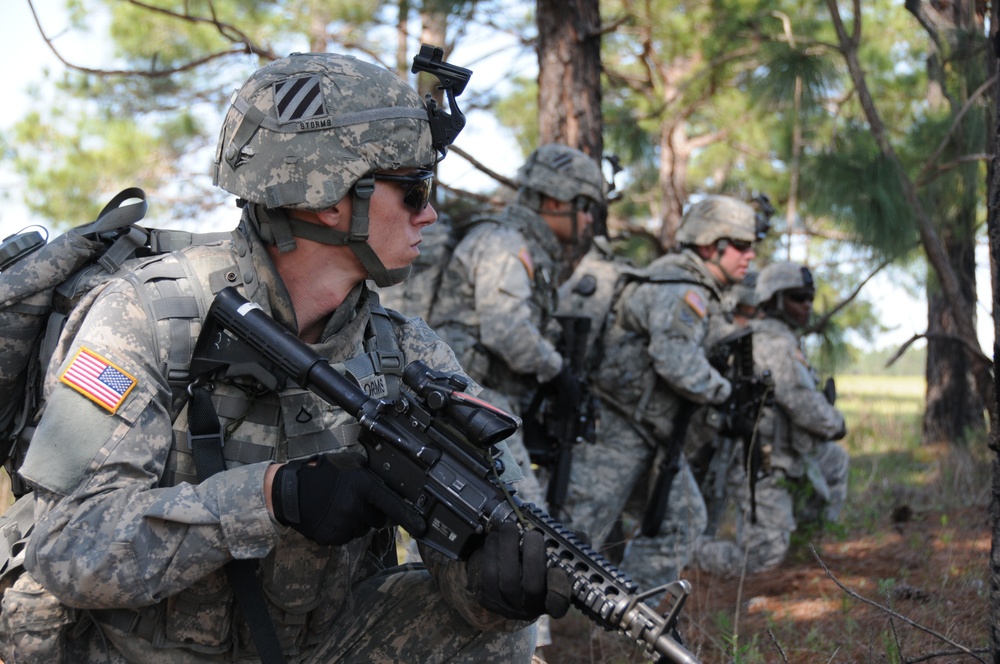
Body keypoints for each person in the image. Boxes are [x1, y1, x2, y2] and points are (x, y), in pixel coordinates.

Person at [0, 52, 568, 663]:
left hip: (308, 644)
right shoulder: (145, 317)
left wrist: (492, 585)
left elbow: (469, 561)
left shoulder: (406, 353)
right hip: (134, 651)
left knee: (498, 634)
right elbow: (67, 548)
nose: (430, 213)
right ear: (328, 200)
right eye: (413, 189)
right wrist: (271, 497)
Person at [559, 195, 757, 597]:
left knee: (682, 522)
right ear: (709, 245)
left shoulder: (695, 288)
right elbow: (675, 361)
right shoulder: (682, 289)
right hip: (617, 429)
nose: (749, 255)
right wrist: (725, 394)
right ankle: (515, 632)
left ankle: (630, 621)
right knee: (570, 536)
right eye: (739, 244)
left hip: (651, 436)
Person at [427, 144, 605, 509]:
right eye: (585, 206)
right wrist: (556, 373)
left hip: (484, 401)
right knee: (526, 520)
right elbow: (506, 329)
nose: (589, 220)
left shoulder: (525, 247)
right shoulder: (505, 243)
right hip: (471, 400)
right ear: (555, 200)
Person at [694, 260, 849, 576]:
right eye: (797, 297)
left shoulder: (784, 339)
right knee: (763, 557)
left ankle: (806, 545)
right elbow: (800, 402)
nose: (807, 305)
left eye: (809, 297)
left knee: (835, 461)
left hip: (789, 452)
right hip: (760, 460)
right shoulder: (770, 341)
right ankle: (685, 553)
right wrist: (836, 423)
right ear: (774, 299)